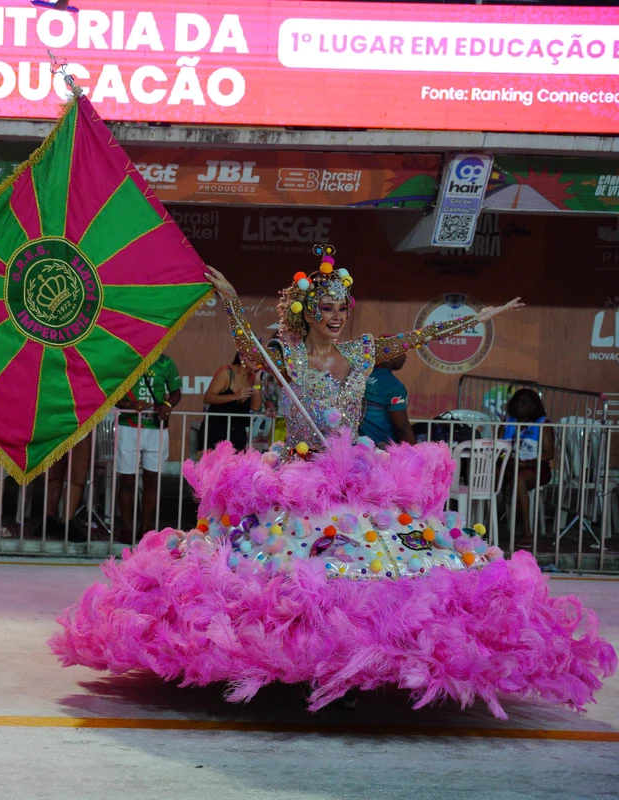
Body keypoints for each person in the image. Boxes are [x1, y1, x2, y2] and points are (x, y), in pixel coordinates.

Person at [54, 247, 616, 719]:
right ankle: (294, 665)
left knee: (372, 571)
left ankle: (364, 666)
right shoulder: (285, 354)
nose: (337, 316)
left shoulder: (362, 351)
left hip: (356, 484)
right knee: (287, 576)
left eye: (341, 307)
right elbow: (249, 350)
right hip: (293, 483)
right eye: (325, 308)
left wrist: (480, 316)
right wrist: (228, 300)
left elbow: (418, 339)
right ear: (305, 310)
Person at [115, 354, 181, 540]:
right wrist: (130, 404)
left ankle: (145, 529)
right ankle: (126, 528)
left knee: (152, 479)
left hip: (156, 428)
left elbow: (176, 392)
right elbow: (112, 394)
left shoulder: (166, 362)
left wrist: (167, 405)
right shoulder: (126, 359)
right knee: (127, 480)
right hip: (128, 426)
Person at [500, 387, 555, 547]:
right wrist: (504, 459)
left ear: (533, 406)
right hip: (508, 465)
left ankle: (526, 532)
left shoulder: (542, 423)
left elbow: (549, 453)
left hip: (535, 467)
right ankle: (481, 526)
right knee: (488, 475)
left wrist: (526, 463)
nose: (519, 405)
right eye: (517, 401)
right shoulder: (507, 422)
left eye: (524, 402)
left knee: (519, 480)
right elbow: (497, 449)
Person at [202, 353, 260, 452]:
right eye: (254, 356)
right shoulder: (226, 372)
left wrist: (258, 380)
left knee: (237, 466)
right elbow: (208, 398)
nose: (258, 360)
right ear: (242, 357)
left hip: (238, 432)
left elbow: (255, 407)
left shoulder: (253, 378)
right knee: (216, 466)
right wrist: (235, 396)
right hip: (217, 429)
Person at [359, 350, 416, 447]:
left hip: (356, 447)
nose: (405, 357)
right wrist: (413, 453)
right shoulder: (393, 386)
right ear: (390, 354)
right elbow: (401, 428)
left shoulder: (359, 376)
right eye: (402, 352)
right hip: (382, 451)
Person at [43, 437, 92, 542]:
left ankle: (50, 521)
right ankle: (64, 523)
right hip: (79, 426)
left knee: (55, 475)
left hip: (57, 425)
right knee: (75, 476)